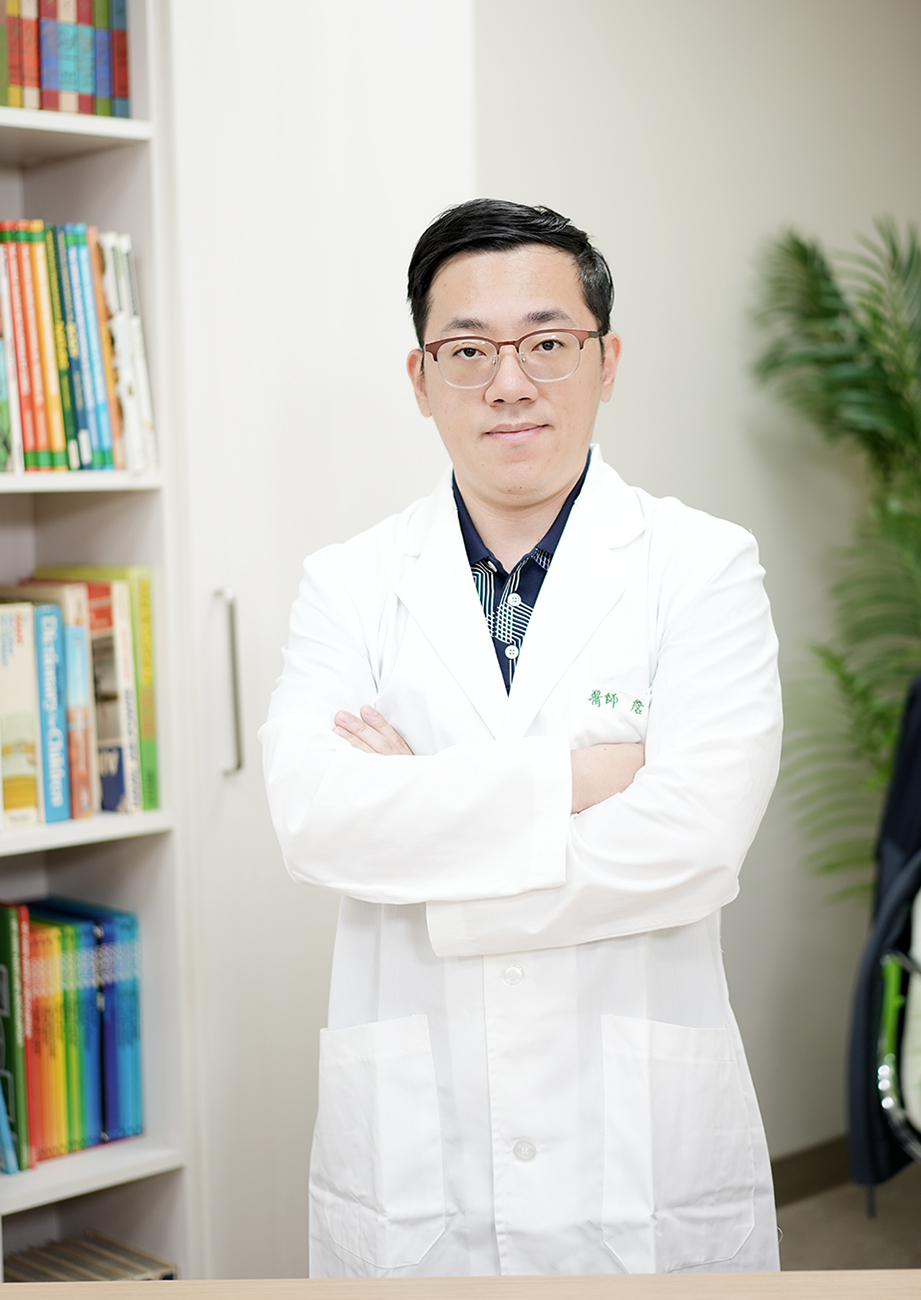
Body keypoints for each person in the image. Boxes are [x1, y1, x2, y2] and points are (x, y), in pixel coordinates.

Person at [259, 198, 782, 1279]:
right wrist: (582, 779)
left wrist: (427, 822)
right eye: (467, 351)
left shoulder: (701, 566)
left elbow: (693, 843)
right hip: (420, 1153)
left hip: (638, 1156)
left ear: (606, 361)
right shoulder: (348, 582)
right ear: (420, 379)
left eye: (547, 343)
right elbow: (315, 821)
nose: (509, 382)